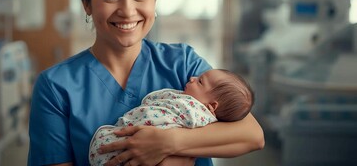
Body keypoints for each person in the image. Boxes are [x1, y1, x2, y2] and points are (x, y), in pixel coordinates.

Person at [28, 0, 264, 166]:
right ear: (87, 4)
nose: (128, 11)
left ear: (155, 0)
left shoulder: (183, 63)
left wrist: (167, 142)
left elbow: (252, 135)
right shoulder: (56, 86)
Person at [89, 69, 254, 165]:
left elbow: (254, 138)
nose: (192, 78)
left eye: (200, 82)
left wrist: (169, 142)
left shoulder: (195, 113)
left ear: (211, 107)